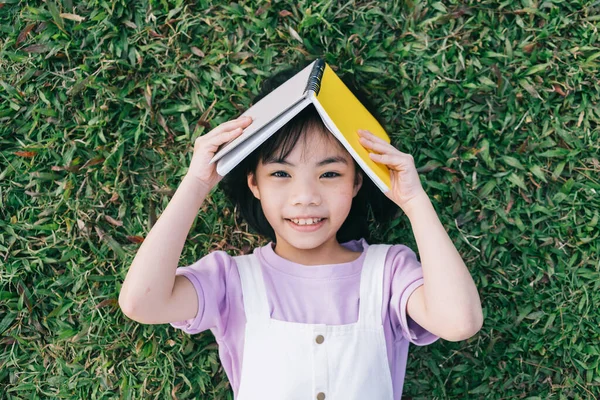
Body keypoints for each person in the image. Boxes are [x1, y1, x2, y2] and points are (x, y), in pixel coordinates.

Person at [118, 61, 483, 399]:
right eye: (281, 174)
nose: (305, 197)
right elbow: (141, 302)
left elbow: (459, 322)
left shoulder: (388, 271)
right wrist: (197, 182)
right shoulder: (230, 280)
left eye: (329, 174)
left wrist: (414, 201)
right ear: (254, 183)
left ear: (357, 182)